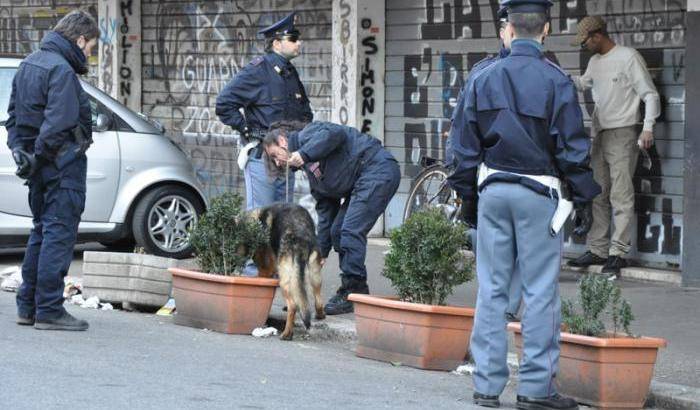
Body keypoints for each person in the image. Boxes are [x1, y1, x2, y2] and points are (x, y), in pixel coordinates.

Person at [448, 1, 601, 408]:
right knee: (539, 293)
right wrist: (584, 196)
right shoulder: (557, 81)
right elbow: (572, 150)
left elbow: (462, 149)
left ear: (509, 29)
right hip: (539, 195)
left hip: (492, 191)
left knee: (492, 290)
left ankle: (486, 386)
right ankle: (535, 390)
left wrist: (467, 196)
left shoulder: (482, 77)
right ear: (546, 30)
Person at [5, 10, 98, 331]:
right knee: (58, 234)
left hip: (38, 167)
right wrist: (40, 157)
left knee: (41, 232)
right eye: (89, 48)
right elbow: (59, 123)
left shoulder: (30, 63)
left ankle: (27, 307)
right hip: (61, 167)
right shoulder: (60, 70)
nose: (88, 54)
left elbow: (13, 118)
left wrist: (22, 154)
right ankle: (48, 310)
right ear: (80, 39)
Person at [262, 121, 400, 315]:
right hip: (363, 180)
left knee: (350, 230)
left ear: (283, 141)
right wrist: (321, 251)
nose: (277, 162)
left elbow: (335, 134)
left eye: (275, 155)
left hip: (378, 169)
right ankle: (350, 290)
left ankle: (354, 288)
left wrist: (303, 154)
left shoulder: (307, 136)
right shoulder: (312, 174)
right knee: (338, 231)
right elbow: (326, 213)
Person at [567, 16, 660, 277]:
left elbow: (650, 94)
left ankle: (618, 252)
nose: (583, 46)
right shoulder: (595, 62)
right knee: (599, 192)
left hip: (624, 133)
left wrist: (648, 127)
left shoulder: (628, 57)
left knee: (620, 193)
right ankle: (597, 249)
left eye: (585, 41)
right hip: (601, 133)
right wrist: (560, 77)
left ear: (597, 35)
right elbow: (584, 83)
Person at [452, 7, 522, 322]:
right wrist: (466, 189)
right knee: (493, 246)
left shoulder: (485, 72)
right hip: (492, 178)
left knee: (513, 248)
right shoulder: (483, 71)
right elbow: (462, 131)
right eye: (510, 27)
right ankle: (500, 306)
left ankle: (503, 308)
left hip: (510, 180)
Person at [216, 12, 313, 210]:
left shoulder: (289, 72)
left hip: (287, 158)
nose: (299, 43)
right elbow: (224, 104)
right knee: (260, 219)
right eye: (293, 39)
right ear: (277, 44)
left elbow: (304, 114)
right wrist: (247, 130)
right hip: (262, 156)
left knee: (285, 220)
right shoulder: (257, 71)